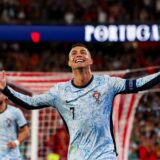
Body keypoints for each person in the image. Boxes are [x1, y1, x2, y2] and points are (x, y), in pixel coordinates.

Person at [0, 43, 160, 160]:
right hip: (77, 156)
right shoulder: (60, 92)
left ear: (90, 61)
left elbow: (138, 83)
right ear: (69, 63)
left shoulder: (107, 84)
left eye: (83, 52)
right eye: (74, 53)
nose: (78, 54)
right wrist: (6, 89)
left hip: (105, 155)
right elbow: (30, 102)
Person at [0, 92, 30, 160]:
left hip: (12, 156)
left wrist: (16, 142)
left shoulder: (15, 112)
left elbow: (26, 131)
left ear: (5, 96)